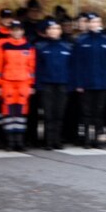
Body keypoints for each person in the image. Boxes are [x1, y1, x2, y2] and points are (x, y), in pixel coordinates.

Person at [72, 13, 106, 148]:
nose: (95, 24)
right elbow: (77, 64)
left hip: (102, 83)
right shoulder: (81, 40)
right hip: (86, 83)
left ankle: (96, 137)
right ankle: (86, 138)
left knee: (99, 112)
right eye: (92, 22)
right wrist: (78, 83)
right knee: (86, 112)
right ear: (88, 24)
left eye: (97, 22)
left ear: (100, 24)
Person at [0, 20, 36, 151]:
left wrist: (31, 85)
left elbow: (32, 68)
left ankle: (20, 141)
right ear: (10, 31)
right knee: (8, 112)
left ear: (22, 31)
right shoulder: (4, 46)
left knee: (21, 112)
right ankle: (10, 142)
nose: (16, 32)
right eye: (14, 30)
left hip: (23, 82)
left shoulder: (29, 47)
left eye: (19, 29)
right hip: (7, 82)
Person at [35, 20, 73, 150]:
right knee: (48, 114)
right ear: (47, 31)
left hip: (62, 84)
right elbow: (38, 68)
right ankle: (48, 141)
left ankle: (58, 140)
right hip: (47, 85)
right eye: (51, 28)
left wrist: (70, 85)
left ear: (60, 31)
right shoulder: (41, 47)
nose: (53, 31)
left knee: (59, 114)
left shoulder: (67, 47)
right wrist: (38, 86)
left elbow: (71, 68)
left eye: (56, 28)